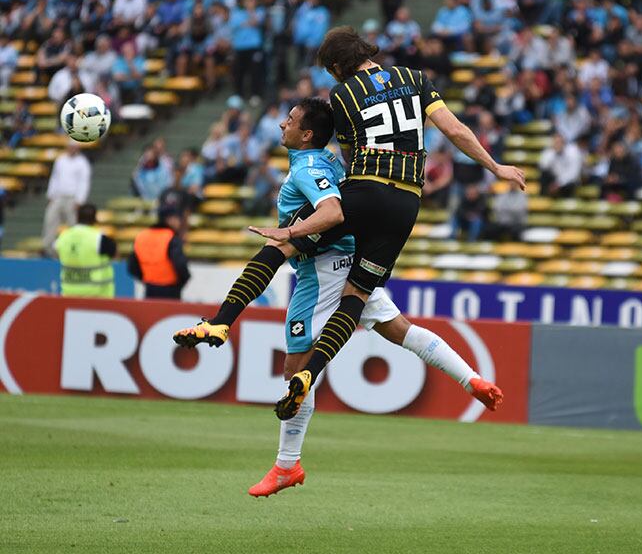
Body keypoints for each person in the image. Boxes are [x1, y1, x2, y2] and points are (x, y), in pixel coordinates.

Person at [177, 27, 525, 422]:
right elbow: (455, 130)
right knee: (359, 294)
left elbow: (349, 158)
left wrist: (297, 225)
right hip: (408, 201)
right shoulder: (413, 78)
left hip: (365, 191)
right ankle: (314, 373)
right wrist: (495, 166)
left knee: (282, 246)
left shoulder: (342, 96)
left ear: (338, 65)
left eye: (331, 70)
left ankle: (221, 324)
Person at [173, 98, 503, 496]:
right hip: (352, 262)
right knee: (401, 329)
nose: (281, 124)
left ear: (306, 133)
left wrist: (290, 234)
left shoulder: (309, 167)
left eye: (290, 120)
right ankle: (472, 380)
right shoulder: (329, 159)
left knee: (295, 371)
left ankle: (287, 465)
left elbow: (331, 211)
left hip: (320, 273)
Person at [53, 204, 116, 298]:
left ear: (77, 217)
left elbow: (56, 252)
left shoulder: (63, 236)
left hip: (69, 295)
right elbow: (114, 253)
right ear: (95, 218)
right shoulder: (99, 238)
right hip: (97, 297)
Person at [128, 205, 190, 299]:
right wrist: (182, 281)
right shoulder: (172, 238)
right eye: (177, 218)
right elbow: (180, 265)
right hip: (171, 291)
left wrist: (147, 279)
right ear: (170, 219)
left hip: (149, 289)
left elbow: (132, 267)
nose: (179, 222)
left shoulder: (142, 236)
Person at [43, 143, 91, 256]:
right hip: (58, 197)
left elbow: (84, 182)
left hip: (72, 199)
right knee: (50, 221)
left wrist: (80, 200)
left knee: (73, 226)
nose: (72, 149)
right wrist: (50, 194)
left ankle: (74, 251)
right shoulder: (61, 160)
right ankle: (49, 250)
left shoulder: (82, 163)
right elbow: (55, 178)